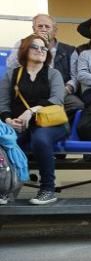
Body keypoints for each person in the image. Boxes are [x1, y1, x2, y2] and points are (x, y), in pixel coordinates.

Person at [0, 35, 68, 206]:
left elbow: (57, 99)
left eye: (44, 48)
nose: (40, 51)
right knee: (6, 141)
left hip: (51, 123)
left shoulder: (53, 74)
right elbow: (3, 103)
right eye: (35, 47)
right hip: (19, 125)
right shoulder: (12, 75)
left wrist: (31, 111)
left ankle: (47, 189)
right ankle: (6, 189)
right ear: (25, 50)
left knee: (40, 139)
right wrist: (8, 120)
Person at [7, 14, 84, 116]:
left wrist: (65, 90)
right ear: (33, 29)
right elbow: (11, 67)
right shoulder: (22, 44)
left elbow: (75, 77)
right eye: (40, 26)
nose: (43, 29)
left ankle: (61, 126)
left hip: (61, 91)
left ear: (55, 31)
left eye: (47, 27)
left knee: (77, 105)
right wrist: (26, 47)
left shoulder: (70, 50)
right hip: (27, 89)